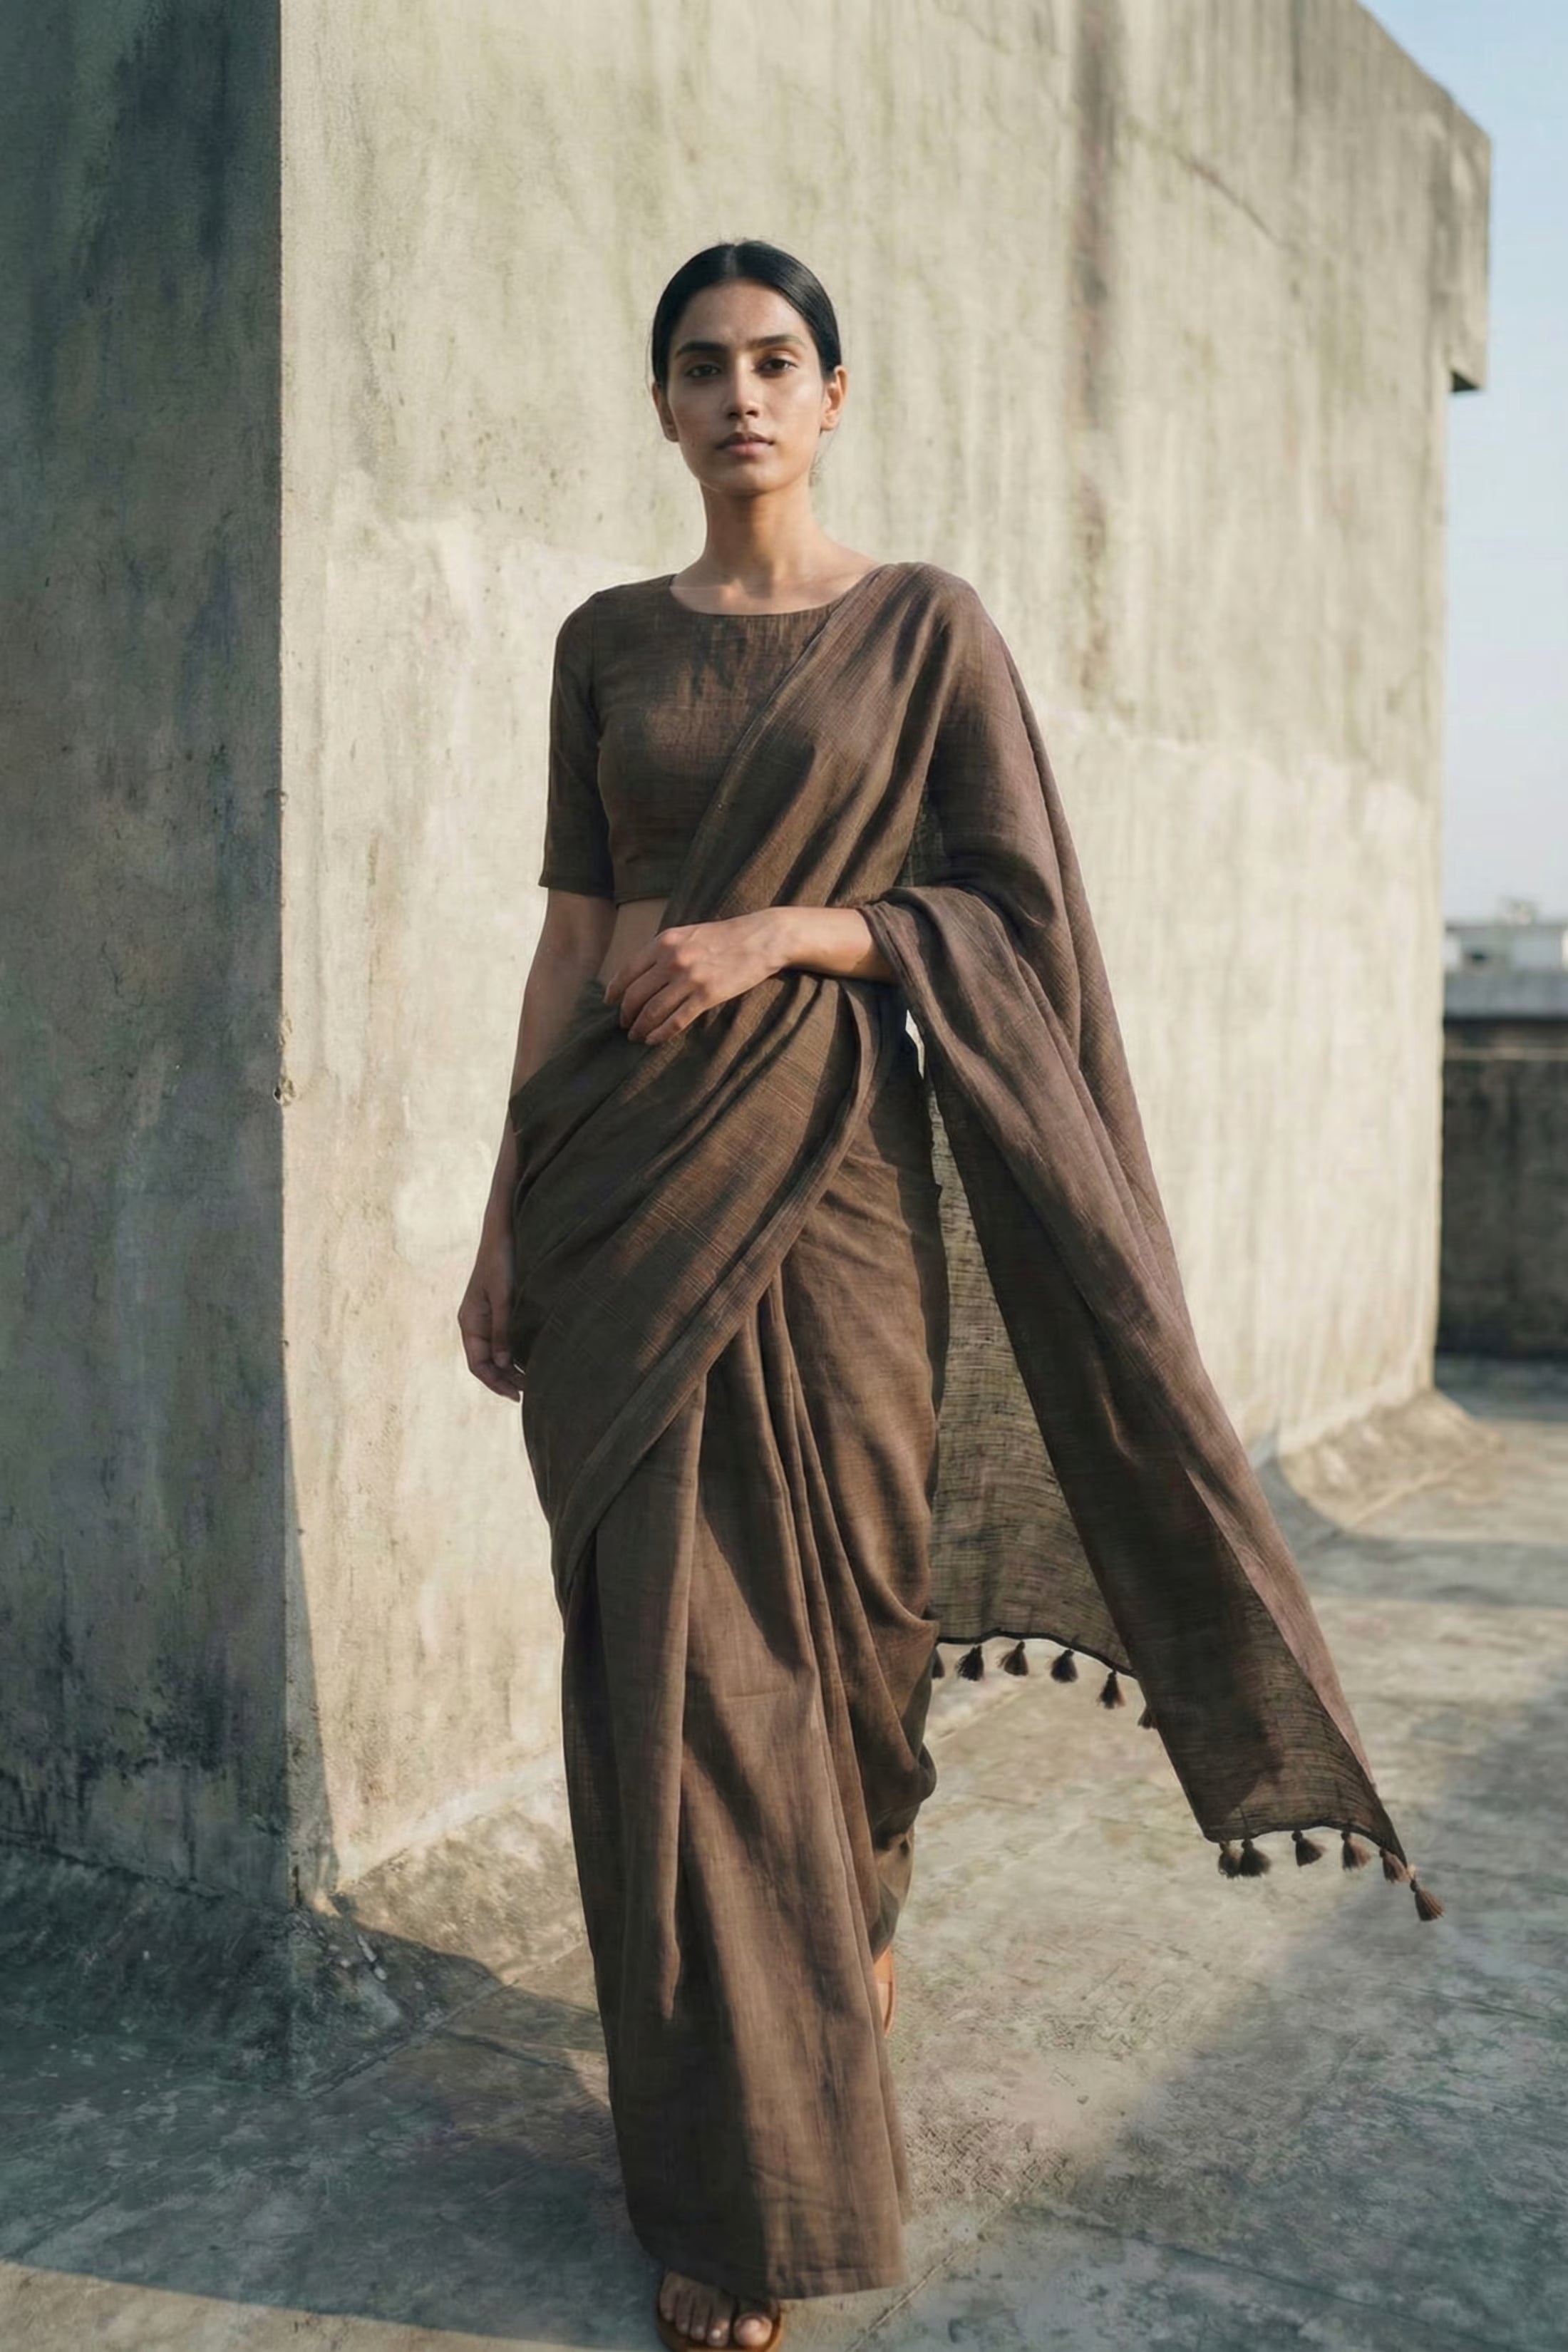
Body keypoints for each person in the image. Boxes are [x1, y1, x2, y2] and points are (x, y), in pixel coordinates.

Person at [458, 240, 1437, 2352]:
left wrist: (784, 934)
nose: (740, 394)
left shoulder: (927, 631)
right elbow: (573, 939)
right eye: (702, 366)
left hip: (840, 1208)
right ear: (660, 407)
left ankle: (841, 1941)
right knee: (688, 1690)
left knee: (857, 1668)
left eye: (776, 362)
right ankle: (744, 2198)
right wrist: (499, 1209)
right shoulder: (606, 641)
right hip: (627, 1201)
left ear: (833, 398)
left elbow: (1008, 918)